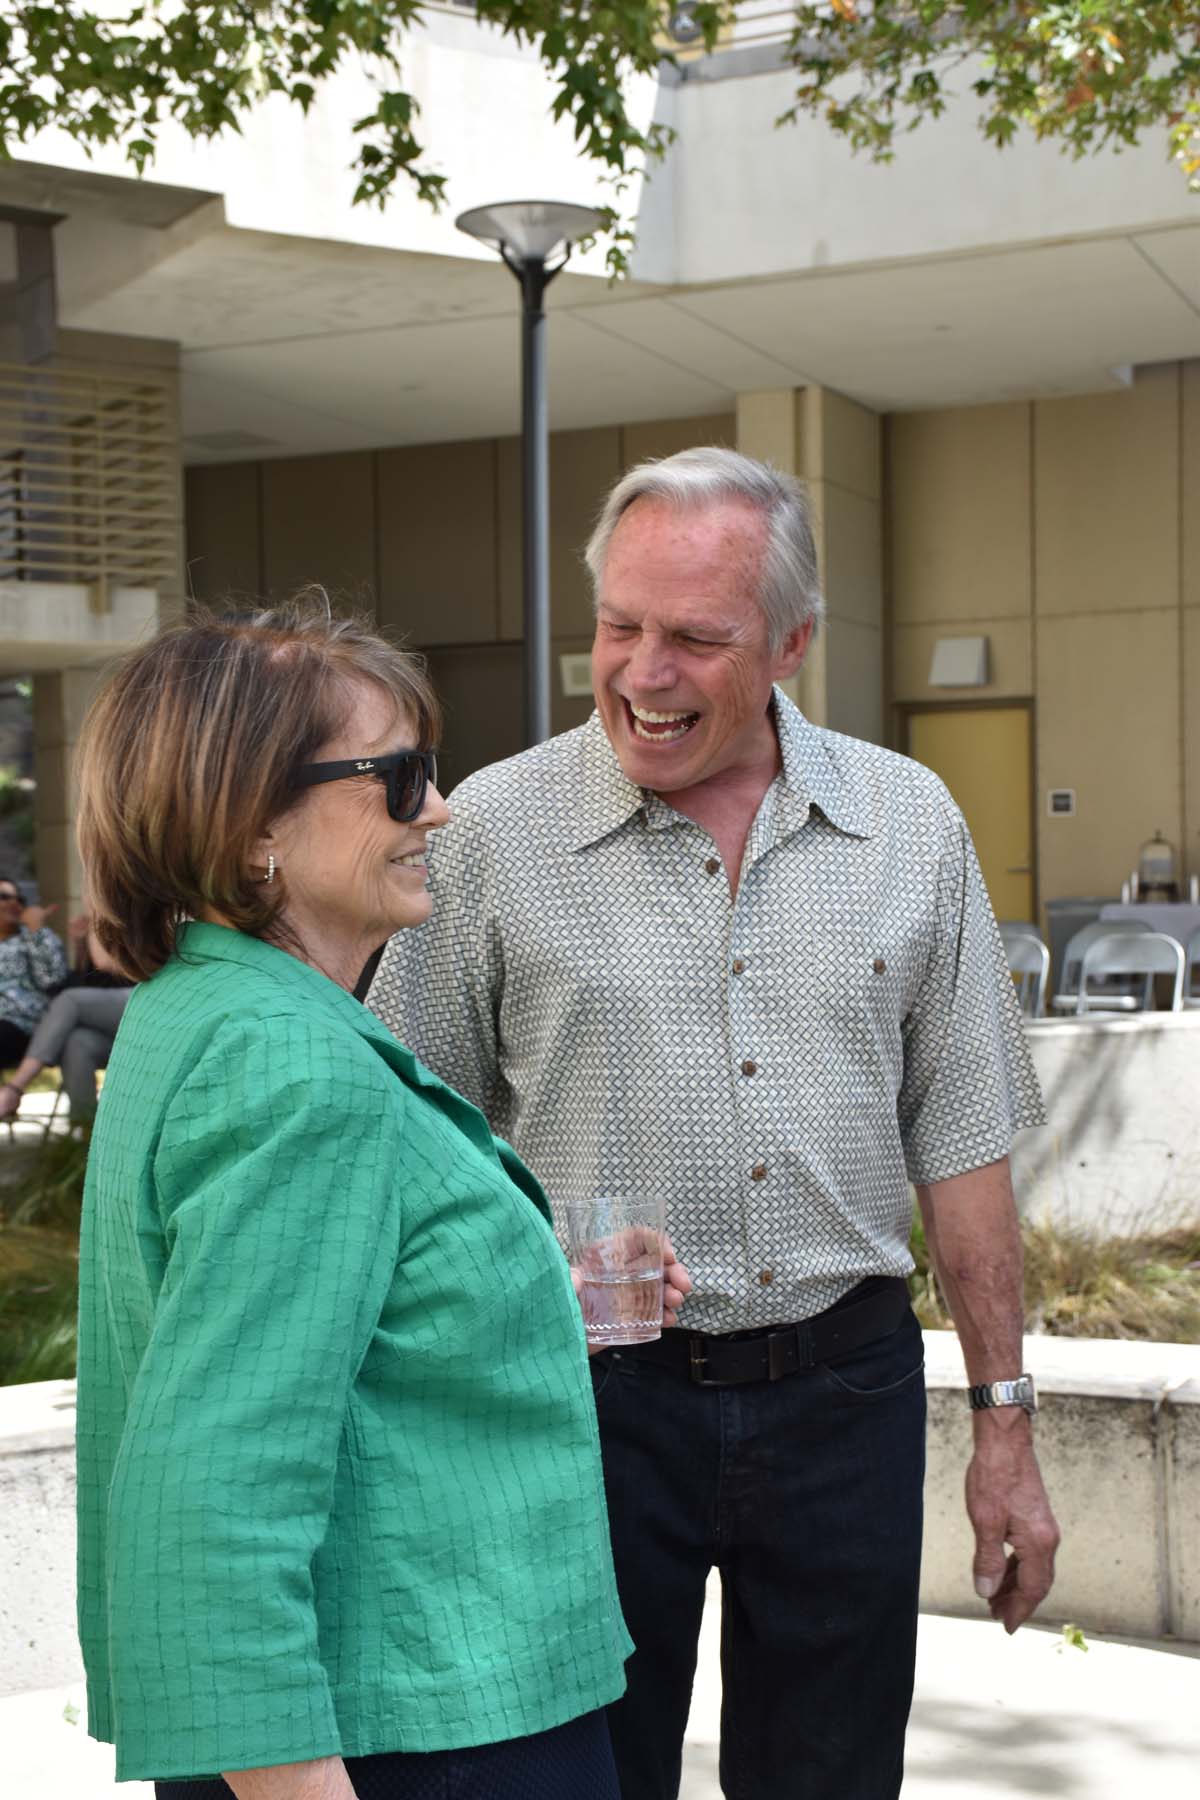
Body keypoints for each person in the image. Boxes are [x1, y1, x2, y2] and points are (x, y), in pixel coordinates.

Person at [369, 447, 1062, 1800]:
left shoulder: (911, 821)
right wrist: (530, 1278)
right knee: (588, 1778)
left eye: (694, 636)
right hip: (590, 1399)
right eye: (619, 627)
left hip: (845, 1390)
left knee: (832, 1777)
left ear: (794, 641)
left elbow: (965, 1142)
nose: (641, 672)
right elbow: (407, 1142)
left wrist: (1006, 1433)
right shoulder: (489, 833)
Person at [74, 599, 688, 1800]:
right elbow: (216, 1490)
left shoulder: (205, 1007)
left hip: (378, 1718)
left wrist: (525, 1288)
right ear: (254, 819)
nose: (440, 809)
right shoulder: (297, 1064)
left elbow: (299, 1330)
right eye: (399, 777)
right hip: (414, 1732)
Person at [0, 914, 132, 1122]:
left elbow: (106, 963)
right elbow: (89, 978)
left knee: (69, 1000)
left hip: (145, 1000)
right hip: (112, 1017)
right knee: (77, 1043)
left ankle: (14, 1089)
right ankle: (85, 1132)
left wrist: (94, 915)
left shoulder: (134, 914)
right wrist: (80, 941)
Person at [0, 876, 67, 1072]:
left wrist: (35, 929)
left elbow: (51, 979)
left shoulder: (36, 936)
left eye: (19, 899)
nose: (14, 902)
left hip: (21, 1024)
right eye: (4, 896)